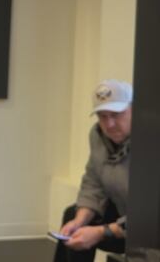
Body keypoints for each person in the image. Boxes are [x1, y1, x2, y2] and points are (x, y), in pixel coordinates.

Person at [54, 79, 131, 262]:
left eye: (116, 114)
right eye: (102, 116)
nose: (109, 124)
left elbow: (150, 214)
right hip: (123, 217)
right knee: (72, 216)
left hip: (148, 229)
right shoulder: (98, 137)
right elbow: (93, 183)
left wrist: (102, 232)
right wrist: (80, 220)